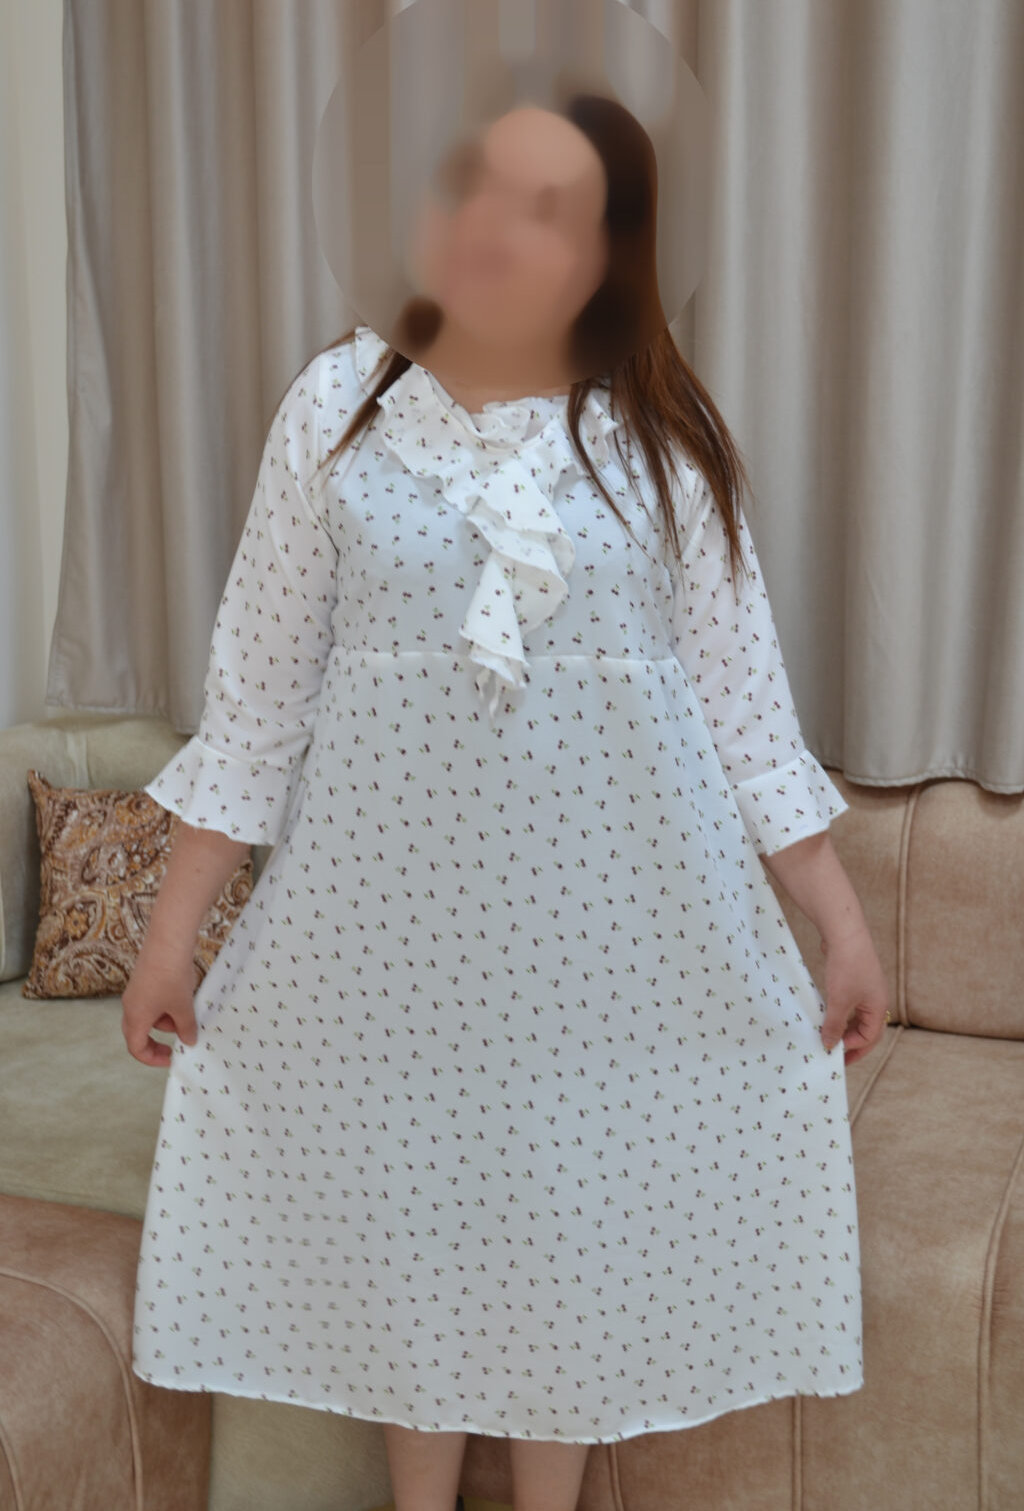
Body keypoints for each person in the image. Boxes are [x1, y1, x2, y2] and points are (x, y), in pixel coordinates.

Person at [123, 99, 889, 1511]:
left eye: (548, 207)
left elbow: (746, 716)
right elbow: (257, 706)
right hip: (389, 947)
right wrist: (171, 938)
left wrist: (840, 926)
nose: (495, 224)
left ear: (607, 254)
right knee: (411, 1228)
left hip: (611, 949)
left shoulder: (662, 439)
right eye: (479, 184)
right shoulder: (337, 412)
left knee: (568, 1238)